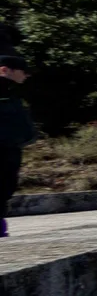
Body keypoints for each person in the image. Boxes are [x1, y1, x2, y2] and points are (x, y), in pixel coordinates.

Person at [0, 56, 34, 237]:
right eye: (23, 70)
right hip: (4, 149)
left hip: (10, 150)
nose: (27, 75)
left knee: (6, 187)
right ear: (5, 70)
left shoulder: (9, 91)